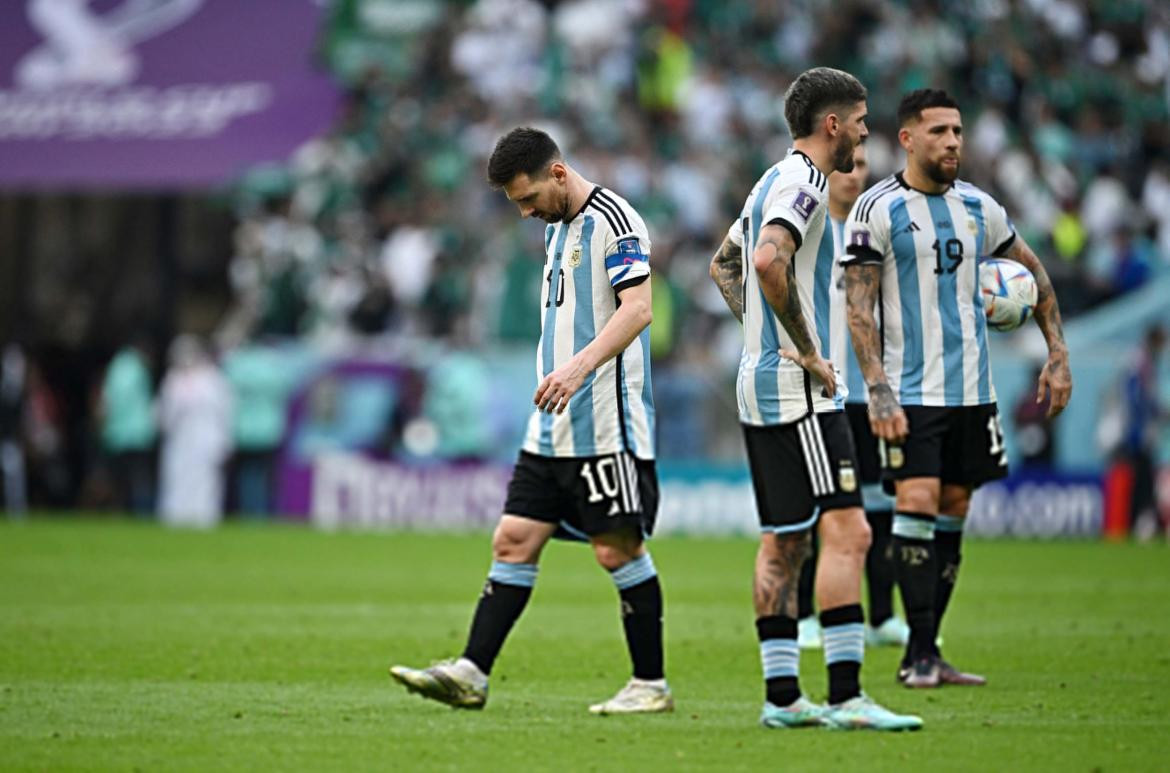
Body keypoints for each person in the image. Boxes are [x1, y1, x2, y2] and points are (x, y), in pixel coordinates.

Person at [390, 127, 669, 715]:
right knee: (513, 541)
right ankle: (471, 671)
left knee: (616, 549)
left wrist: (577, 369)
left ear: (558, 173)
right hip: (552, 426)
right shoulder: (557, 228)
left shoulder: (616, 221)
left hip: (605, 421)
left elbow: (638, 309)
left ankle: (651, 684)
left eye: (527, 198)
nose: (523, 213)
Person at [708, 67, 921, 731]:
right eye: (859, 120)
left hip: (760, 380)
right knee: (850, 529)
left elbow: (724, 264)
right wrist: (803, 346)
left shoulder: (769, 179)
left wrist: (760, 338)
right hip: (797, 389)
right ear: (832, 124)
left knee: (785, 540)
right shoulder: (805, 181)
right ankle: (846, 693)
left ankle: (782, 699)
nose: (865, 131)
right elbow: (767, 262)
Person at [841, 89, 1072, 688]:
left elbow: (1034, 273)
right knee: (913, 503)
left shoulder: (980, 207)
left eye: (959, 131)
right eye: (940, 131)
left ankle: (926, 651)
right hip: (912, 394)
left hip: (974, 393)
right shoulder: (877, 209)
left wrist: (1058, 353)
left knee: (954, 510)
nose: (953, 142)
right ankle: (918, 654)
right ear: (908, 139)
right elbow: (859, 309)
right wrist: (878, 388)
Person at [795, 143, 910, 651]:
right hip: (820, 395)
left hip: (870, 396)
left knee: (881, 504)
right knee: (816, 508)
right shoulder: (807, 231)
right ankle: (803, 616)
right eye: (850, 163)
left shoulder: (882, 239)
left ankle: (882, 616)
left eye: (864, 166)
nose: (854, 173)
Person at [157, 335, 234, 528]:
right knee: (178, 477)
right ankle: (176, 517)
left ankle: (204, 518)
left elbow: (225, 413)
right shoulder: (173, 380)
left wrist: (225, 441)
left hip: (206, 438)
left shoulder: (213, 380)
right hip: (181, 439)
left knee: (206, 480)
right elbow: (164, 414)